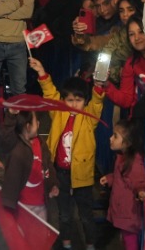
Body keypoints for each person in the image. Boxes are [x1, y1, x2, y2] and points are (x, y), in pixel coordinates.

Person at [29, 57, 105, 250]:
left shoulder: (89, 118)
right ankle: (66, 243)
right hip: (60, 173)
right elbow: (50, 92)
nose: (73, 104)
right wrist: (41, 72)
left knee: (86, 215)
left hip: (82, 176)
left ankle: (90, 245)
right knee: (64, 214)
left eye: (78, 100)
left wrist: (98, 88)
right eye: (69, 100)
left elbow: (97, 102)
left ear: (85, 101)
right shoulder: (59, 112)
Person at [100, 121, 145, 250]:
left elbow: (139, 181)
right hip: (124, 211)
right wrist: (110, 178)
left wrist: (141, 191)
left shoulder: (133, 161)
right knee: (126, 239)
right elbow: (121, 177)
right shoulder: (122, 157)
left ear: (126, 142)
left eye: (115, 136)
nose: (111, 138)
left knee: (130, 240)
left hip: (128, 212)